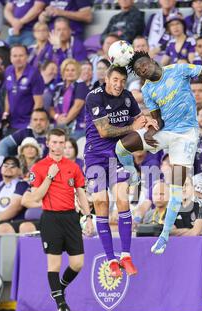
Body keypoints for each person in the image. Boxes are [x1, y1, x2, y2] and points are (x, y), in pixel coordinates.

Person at [115, 50, 202, 254]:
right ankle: (133, 175)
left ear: (152, 60)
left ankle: (164, 236)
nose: (143, 69)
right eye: (139, 70)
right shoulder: (147, 90)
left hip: (186, 136)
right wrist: (151, 130)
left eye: (144, 64)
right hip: (166, 131)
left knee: (175, 188)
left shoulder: (177, 69)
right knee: (122, 146)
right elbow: (158, 119)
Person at [84, 65, 149, 278]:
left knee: (122, 199)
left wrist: (149, 121)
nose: (119, 84)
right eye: (115, 80)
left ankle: (126, 256)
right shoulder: (94, 97)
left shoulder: (129, 97)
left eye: (122, 80)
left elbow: (140, 121)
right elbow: (104, 131)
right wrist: (133, 127)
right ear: (106, 78)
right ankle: (111, 259)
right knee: (101, 203)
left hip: (118, 156)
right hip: (95, 156)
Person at [28, 128, 93, 311]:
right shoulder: (39, 167)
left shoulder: (73, 166)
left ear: (65, 144)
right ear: (47, 143)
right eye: (54, 142)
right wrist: (49, 176)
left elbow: (81, 192)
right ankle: (61, 303)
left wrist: (88, 217)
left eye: (61, 142)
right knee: (54, 264)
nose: (58, 146)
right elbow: (35, 197)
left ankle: (59, 288)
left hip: (71, 217)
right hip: (50, 218)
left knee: (78, 263)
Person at [3, 44, 45, 133]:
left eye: (21, 55)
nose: (18, 59)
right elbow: (8, 94)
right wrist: (6, 113)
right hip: (11, 123)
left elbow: (39, 102)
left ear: (27, 57)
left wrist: (31, 124)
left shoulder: (34, 74)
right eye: (15, 56)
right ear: (10, 58)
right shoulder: (8, 71)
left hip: (26, 124)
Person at [49, 58, 88, 140]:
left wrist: (65, 121)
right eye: (67, 70)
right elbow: (51, 107)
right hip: (59, 125)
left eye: (73, 70)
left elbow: (77, 106)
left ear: (77, 72)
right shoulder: (58, 87)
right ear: (63, 72)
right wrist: (57, 117)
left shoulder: (81, 85)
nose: (70, 72)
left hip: (76, 128)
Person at [0, 156, 29, 234]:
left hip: (7, 224)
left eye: (13, 166)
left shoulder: (21, 185)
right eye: (5, 165)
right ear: (1, 169)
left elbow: (15, 208)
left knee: (2, 228)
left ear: (19, 171)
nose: (8, 168)